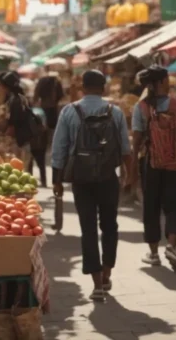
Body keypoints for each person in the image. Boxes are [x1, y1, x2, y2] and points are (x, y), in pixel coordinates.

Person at [52, 70, 131, 302]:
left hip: (80, 178)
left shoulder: (69, 111)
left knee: (87, 228)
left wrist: (57, 180)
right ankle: (107, 273)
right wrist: (130, 176)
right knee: (109, 225)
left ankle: (96, 283)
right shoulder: (114, 112)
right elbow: (126, 149)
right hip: (108, 177)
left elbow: (59, 149)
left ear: (82, 88)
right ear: (103, 87)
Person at [131, 66, 176, 272]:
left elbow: (137, 139)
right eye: (167, 80)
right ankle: (172, 246)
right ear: (160, 83)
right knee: (173, 206)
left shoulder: (141, 107)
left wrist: (131, 168)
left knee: (151, 207)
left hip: (150, 164)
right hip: (174, 163)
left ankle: (154, 253)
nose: (169, 83)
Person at [0, 72, 44, 185]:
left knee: (20, 173)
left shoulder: (15, 101)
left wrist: (5, 141)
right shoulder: (19, 98)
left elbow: (13, 124)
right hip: (25, 140)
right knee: (23, 172)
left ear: (6, 86)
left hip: (21, 141)